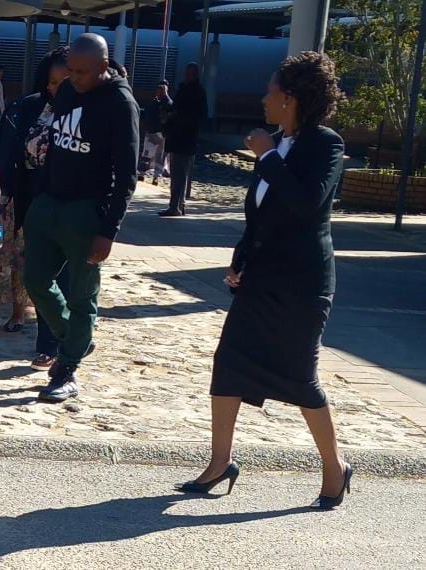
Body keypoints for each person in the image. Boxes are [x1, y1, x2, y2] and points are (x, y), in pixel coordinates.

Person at [176, 52, 352, 510]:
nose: (263, 99)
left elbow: (306, 204)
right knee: (229, 362)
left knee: (300, 377)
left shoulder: (324, 144)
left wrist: (269, 157)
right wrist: (239, 261)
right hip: (260, 280)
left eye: (270, 92)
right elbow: (260, 218)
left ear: (289, 98)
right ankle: (220, 462)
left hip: (301, 285)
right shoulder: (274, 142)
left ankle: (334, 467)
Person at [23, 33, 139, 402]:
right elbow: (56, 144)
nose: (74, 78)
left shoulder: (121, 104)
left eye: (83, 72)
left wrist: (109, 231)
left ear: (103, 67)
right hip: (48, 202)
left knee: (82, 293)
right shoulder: (70, 90)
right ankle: (76, 338)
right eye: (70, 70)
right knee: (35, 280)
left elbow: (127, 176)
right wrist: (40, 191)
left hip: (86, 211)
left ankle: (67, 369)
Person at [0, 47, 70, 367]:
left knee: (65, 276)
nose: (56, 89)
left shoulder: (91, 112)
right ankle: (49, 340)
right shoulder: (28, 108)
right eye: (51, 82)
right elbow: (5, 149)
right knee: (34, 270)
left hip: (72, 204)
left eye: (64, 82)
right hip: (31, 198)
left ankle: (61, 343)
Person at [159, 63, 207, 217]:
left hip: (184, 137)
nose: (186, 76)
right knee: (179, 173)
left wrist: (173, 116)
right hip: (181, 137)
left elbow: (192, 115)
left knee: (179, 173)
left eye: (189, 74)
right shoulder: (187, 90)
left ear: (195, 75)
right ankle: (178, 205)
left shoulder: (195, 92)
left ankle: (176, 206)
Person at [139, 80, 173, 185]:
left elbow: (170, 107)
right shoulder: (154, 101)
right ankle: (142, 173)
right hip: (152, 131)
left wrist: (165, 96)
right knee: (147, 154)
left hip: (161, 133)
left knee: (159, 156)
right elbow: (149, 112)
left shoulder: (167, 101)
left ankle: (156, 177)